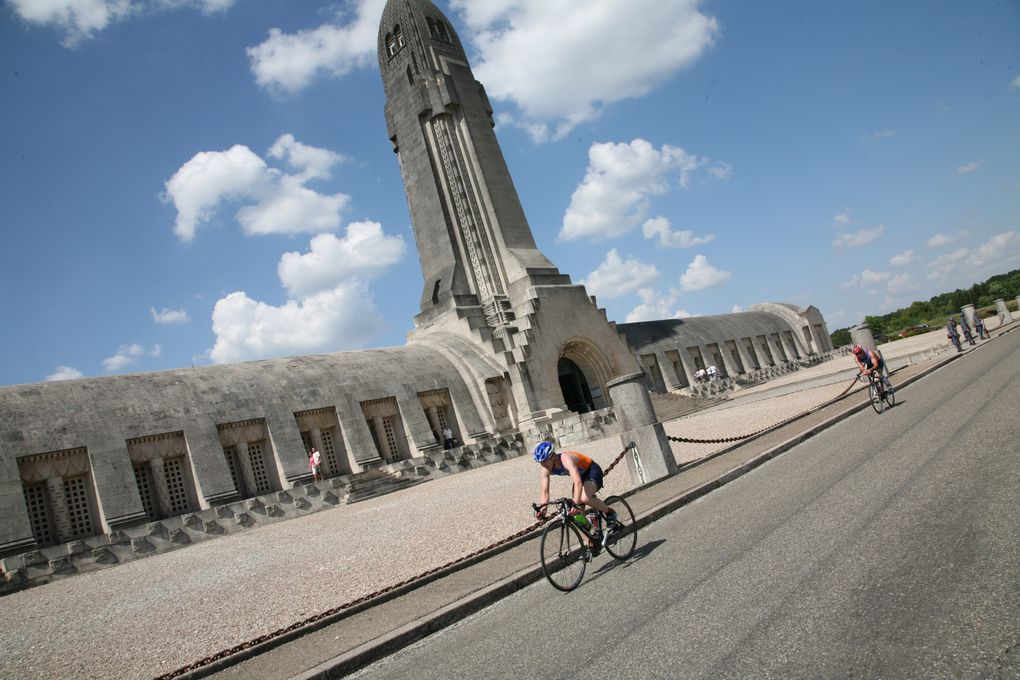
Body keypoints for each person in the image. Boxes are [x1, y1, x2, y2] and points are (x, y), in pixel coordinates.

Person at [533, 441, 617, 532]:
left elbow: (578, 482)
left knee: (583, 498)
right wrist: (543, 509)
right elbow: (545, 492)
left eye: (545, 461)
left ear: (552, 456)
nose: (543, 465)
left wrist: (576, 504)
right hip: (580, 477)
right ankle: (590, 535)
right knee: (576, 517)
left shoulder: (565, 459)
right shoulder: (545, 469)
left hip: (591, 471)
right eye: (540, 462)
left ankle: (610, 513)